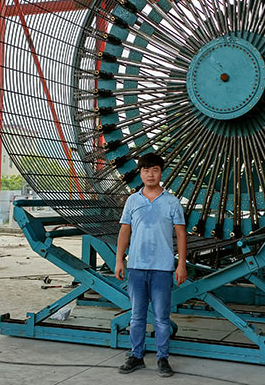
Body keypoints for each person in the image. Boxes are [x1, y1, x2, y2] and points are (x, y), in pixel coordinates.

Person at [115, 152, 187, 377]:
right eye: (146, 170)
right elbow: (124, 231)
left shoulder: (172, 202)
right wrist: (119, 260)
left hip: (162, 269)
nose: (150, 175)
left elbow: (181, 234)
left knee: (161, 319)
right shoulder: (133, 201)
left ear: (161, 173)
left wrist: (181, 265)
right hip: (136, 267)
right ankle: (136, 356)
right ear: (140, 173)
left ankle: (162, 358)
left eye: (155, 170)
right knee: (136, 317)